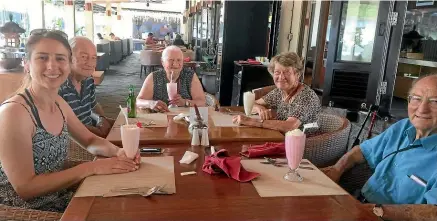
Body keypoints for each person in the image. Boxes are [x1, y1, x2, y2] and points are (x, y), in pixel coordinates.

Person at [0, 30, 140, 212]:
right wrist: (92, 167)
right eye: (42, 58)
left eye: (60, 58)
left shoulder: (58, 102)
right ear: (26, 64)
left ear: (68, 63)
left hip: (60, 195)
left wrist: (118, 151)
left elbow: (89, 141)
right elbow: (26, 188)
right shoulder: (15, 112)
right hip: (29, 209)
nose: (52, 66)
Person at [322, 74, 437, 221]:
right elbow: (361, 151)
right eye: (416, 98)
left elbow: (434, 212)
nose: (422, 109)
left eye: (434, 101)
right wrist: (336, 170)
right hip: (361, 204)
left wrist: (376, 211)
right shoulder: (403, 127)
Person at [232, 52, 321, 133]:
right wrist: (260, 109)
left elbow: (290, 126)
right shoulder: (279, 92)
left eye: (286, 72)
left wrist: (250, 121)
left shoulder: (306, 96)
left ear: (297, 74)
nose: (281, 77)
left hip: (302, 145)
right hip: (279, 138)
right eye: (277, 72)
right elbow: (252, 104)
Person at [58, 36, 114, 138]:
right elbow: (63, 126)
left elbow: (93, 106)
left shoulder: (89, 80)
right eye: (84, 57)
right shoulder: (59, 87)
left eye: (94, 58)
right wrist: (96, 132)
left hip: (92, 132)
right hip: (75, 144)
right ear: (69, 57)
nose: (90, 63)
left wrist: (102, 119)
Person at [137, 45, 205, 112]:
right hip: (160, 119)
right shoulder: (154, 77)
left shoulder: (190, 76)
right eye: (171, 60)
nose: (175, 64)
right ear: (162, 62)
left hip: (186, 119)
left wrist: (185, 102)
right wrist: (151, 103)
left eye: (179, 60)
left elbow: (202, 102)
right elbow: (138, 101)